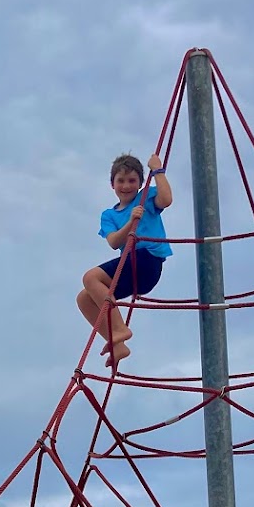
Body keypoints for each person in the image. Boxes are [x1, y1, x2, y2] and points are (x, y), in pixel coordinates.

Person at [77, 152, 173, 366]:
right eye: (121, 181)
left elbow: (166, 199)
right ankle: (117, 343)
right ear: (112, 184)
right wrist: (131, 223)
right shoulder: (109, 215)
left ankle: (120, 329)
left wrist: (157, 171)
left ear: (140, 183)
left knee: (90, 277)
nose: (126, 185)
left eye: (132, 180)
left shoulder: (145, 197)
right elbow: (113, 241)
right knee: (84, 298)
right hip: (132, 268)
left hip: (148, 261)